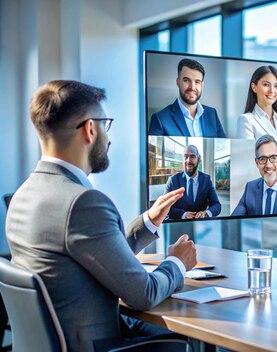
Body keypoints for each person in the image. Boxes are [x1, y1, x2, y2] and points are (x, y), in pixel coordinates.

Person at [6, 80, 198, 352]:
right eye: (106, 125)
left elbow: (96, 254)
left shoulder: (24, 193)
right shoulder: (83, 202)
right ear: (90, 129)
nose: (108, 138)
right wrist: (177, 262)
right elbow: (143, 294)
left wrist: (148, 222)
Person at [148, 58, 226, 137]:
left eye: (197, 82)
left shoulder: (212, 114)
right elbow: (153, 149)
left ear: (202, 85)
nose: (192, 87)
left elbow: (223, 148)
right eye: (186, 80)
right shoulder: (160, 119)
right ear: (178, 82)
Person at [231, 134, 277, 216]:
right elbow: (233, 220)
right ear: (257, 163)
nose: (268, 165)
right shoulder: (250, 187)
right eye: (263, 159)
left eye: (273, 158)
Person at [164, 144, 221, 220]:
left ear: (198, 160)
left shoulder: (206, 179)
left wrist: (206, 213)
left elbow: (216, 205)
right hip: (178, 226)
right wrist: (183, 214)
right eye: (186, 156)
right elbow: (165, 207)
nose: (188, 160)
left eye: (192, 156)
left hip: (200, 226)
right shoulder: (173, 180)